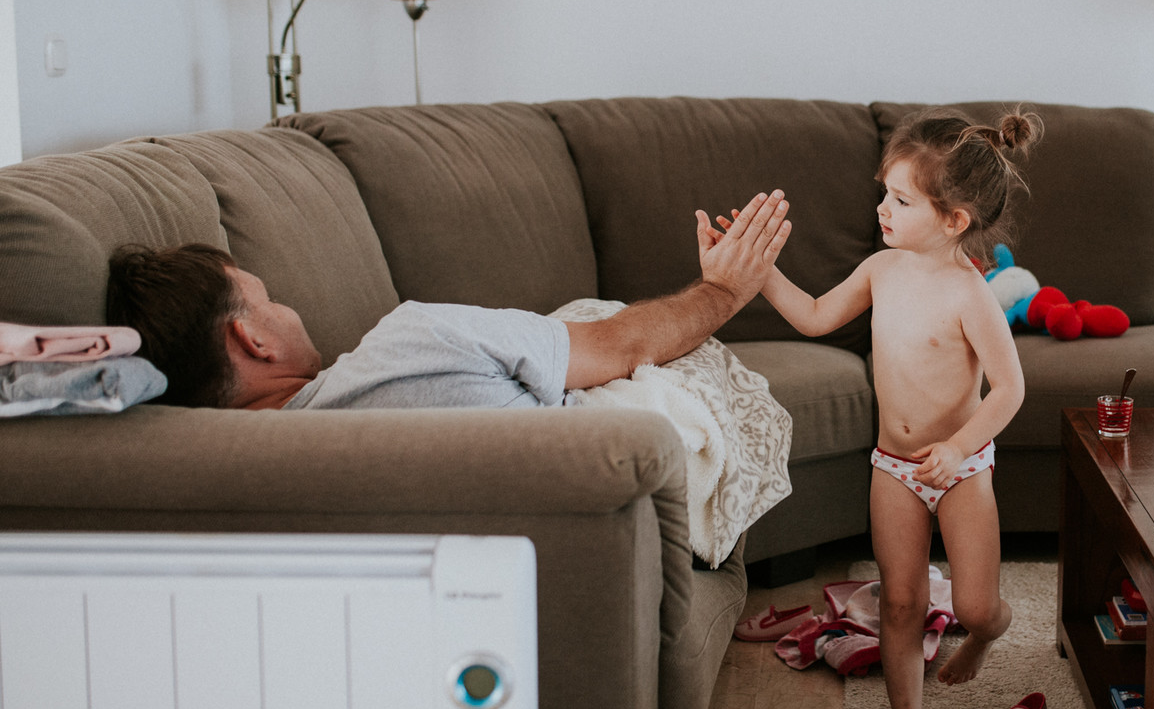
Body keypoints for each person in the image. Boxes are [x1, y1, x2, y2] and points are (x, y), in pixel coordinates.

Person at [733, 107, 1039, 709]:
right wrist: (758, 271)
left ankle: (988, 633)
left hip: (962, 471)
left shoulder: (972, 295)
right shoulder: (881, 269)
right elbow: (814, 316)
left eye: (900, 200)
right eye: (886, 194)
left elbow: (1010, 389)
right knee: (899, 604)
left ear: (954, 220)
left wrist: (960, 449)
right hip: (893, 470)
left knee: (974, 607)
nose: (883, 208)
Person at [105, 190, 792, 412]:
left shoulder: (227, 473)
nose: (289, 308)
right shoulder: (415, 339)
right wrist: (725, 287)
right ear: (252, 340)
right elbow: (620, 346)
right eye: (269, 300)